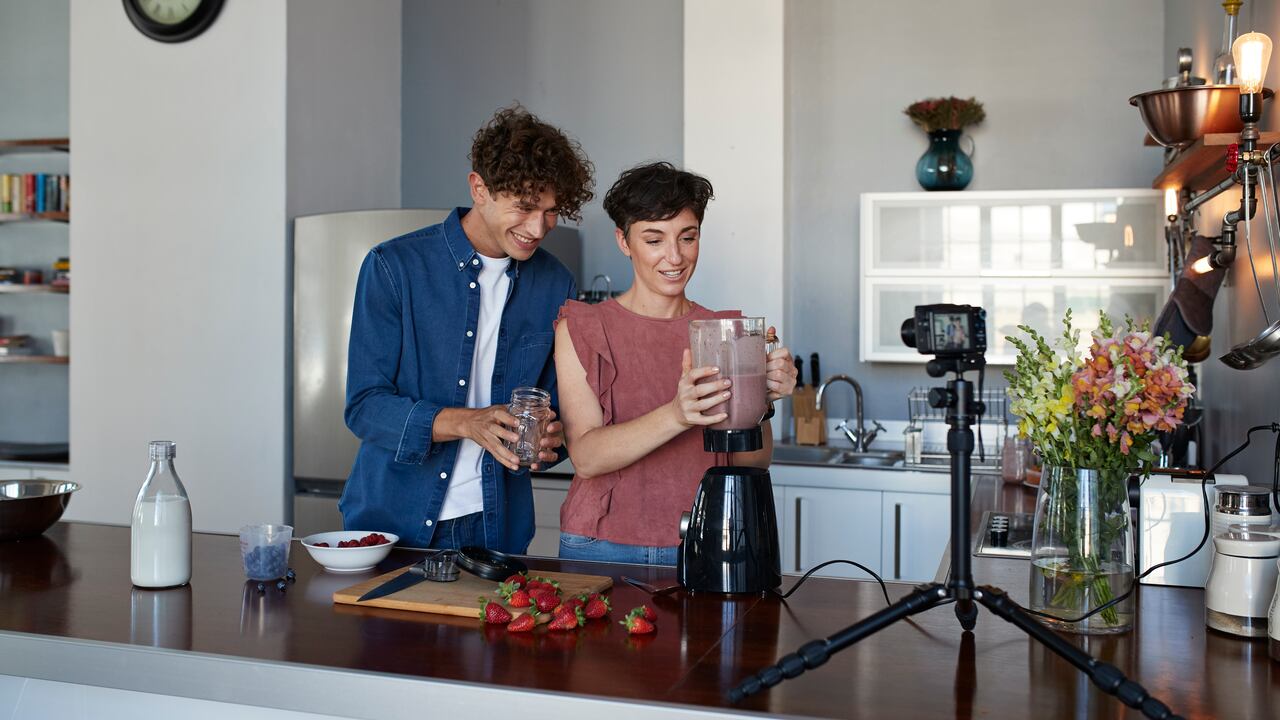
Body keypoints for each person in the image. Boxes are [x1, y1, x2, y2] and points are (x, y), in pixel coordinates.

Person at [341, 106, 594, 552]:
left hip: (496, 528)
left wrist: (555, 438)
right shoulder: (394, 267)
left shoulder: (556, 283)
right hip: (390, 523)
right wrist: (468, 423)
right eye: (525, 206)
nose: (538, 228)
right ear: (480, 188)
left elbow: (558, 407)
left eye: (552, 212)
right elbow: (364, 406)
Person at [552, 162, 797, 565]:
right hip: (601, 544)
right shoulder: (584, 328)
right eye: (654, 239)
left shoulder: (726, 331)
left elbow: (754, 461)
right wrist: (678, 414)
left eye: (688, 237)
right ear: (624, 241)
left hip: (708, 538)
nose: (675, 256)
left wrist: (763, 401)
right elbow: (587, 456)